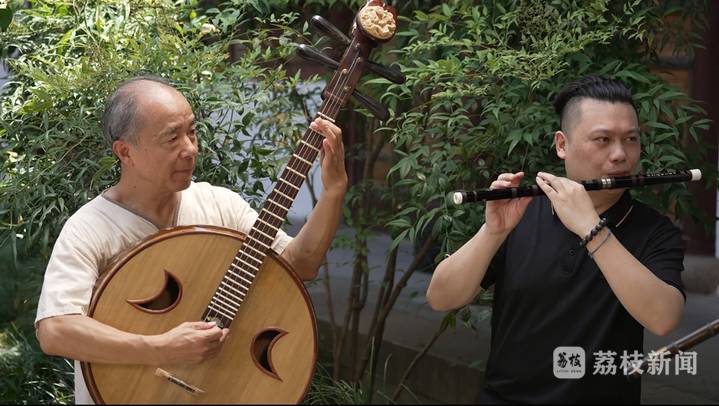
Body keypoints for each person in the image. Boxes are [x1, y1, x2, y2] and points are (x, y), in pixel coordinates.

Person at [34, 76, 348, 404]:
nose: (190, 149)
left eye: (192, 132)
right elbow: (55, 331)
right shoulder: (90, 228)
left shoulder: (220, 205)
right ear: (126, 152)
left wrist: (334, 189)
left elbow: (299, 264)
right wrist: (162, 348)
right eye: (172, 138)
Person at [426, 74, 686, 404]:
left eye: (631, 139)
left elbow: (664, 318)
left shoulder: (655, 231)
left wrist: (591, 228)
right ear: (562, 144)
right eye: (603, 139)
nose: (620, 154)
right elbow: (441, 298)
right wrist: (493, 231)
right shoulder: (524, 212)